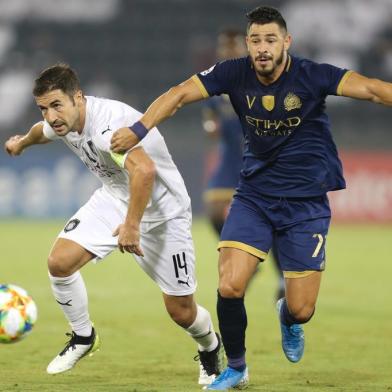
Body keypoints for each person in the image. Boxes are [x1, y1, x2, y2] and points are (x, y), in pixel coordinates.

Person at [110, 5, 392, 390]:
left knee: (302, 309)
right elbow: (179, 94)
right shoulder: (233, 73)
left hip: (305, 204)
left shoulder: (312, 75)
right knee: (229, 284)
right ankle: (237, 367)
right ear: (248, 44)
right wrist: (140, 128)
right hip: (254, 196)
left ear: (286, 42)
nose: (262, 48)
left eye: (270, 40)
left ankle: (288, 318)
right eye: (255, 40)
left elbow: (375, 90)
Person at [4, 64, 224, 387]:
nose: (50, 116)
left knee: (182, 311)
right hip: (115, 198)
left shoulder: (108, 126)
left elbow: (145, 171)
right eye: (43, 108)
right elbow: (42, 131)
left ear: (78, 97)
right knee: (59, 262)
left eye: (55, 106)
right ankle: (83, 336)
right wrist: (21, 142)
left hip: (164, 214)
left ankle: (210, 347)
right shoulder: (63, 120)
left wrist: (131, 225)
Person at [202, 29, 285, 300]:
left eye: (233, 47)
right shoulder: (217, 83)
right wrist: (210, 126)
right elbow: (210, 121)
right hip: (230, 159)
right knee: (214, 211)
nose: (227, 51)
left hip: (259, 158)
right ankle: (244, 257)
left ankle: (282, 278)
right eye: (223, 47)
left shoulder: (261, 78)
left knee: (272, 221)